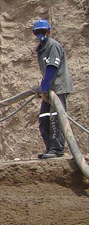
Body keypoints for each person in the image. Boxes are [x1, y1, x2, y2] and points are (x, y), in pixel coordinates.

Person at [32, 19, 73, 159]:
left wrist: (45, 86)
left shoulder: (53, 46)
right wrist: (43, 87)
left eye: (43, 32)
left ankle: (57, 149)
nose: (40, 35)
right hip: (49, 90)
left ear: (48, 32)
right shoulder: (41, 49)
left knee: (56, 118)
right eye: (38, 32)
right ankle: (50, 148)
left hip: (58, 88)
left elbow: (52, 68)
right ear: (34, 33)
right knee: (44, 118)